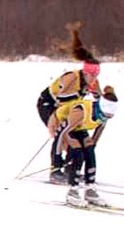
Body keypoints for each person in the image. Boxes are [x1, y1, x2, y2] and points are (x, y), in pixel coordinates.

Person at [36, 28, 102, 183]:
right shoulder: (71, 77)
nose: (93, 78)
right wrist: (71, 108)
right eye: (90, 75)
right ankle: (55, 169)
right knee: (62, 134)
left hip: (65, 108)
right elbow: (60, 97)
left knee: (74, 135)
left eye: (96, 75)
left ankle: (70, 167)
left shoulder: (93, 83)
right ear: (84, 73)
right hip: (48, 104)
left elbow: (99, 99)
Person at [48, 87, 118, 207]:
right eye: (103, 116)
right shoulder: (81, 111)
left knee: (89, 151)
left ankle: (90, 189)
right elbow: (61, 134)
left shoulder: (104, 115)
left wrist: (90, 154)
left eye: (107, 117)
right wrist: (57, 158)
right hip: (62, 125)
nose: (104, 119)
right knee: (77, 152)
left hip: (80, 127)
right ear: (99, 108)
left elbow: (96, 135)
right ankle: (72, 191)